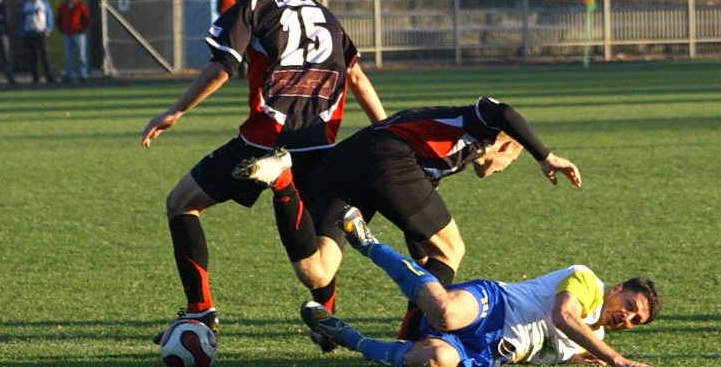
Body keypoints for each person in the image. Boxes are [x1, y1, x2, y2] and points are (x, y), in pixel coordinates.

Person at [140, 0, 386, 343]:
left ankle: (201, 311)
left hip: (268, 139)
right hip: (322, 141)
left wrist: (176, 111)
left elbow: (222, 66)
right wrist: (384, 128)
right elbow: (356, 75)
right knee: (314, 241)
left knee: (182, 202)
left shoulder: (252, 6)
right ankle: (327, 319)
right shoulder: (320, 8)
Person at [236, 96, 582, 349]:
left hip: (345, 161)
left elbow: (416, 230)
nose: (500, 172)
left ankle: (282, 182)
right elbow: (503, 110)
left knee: (316, 271)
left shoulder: (442, 162)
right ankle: (414, 337)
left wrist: (423, 267)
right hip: (389, 154)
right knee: (452, 247)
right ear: (508, 148)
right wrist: (545, 156)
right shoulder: (481, 129)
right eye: (509, 164)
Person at [301, 207, 662, 367]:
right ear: (617, 288)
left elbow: (549, 347)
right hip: (496, 305)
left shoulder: (586, 342)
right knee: (445, 311)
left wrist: (578, 357)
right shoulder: (589, 283)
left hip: (488, 350)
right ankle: (368, 242)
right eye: (630, 304)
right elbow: (563, 316)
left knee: (435, 363)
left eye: (635, 320)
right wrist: (617, 358)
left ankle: (344, 335)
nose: (626, 316)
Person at [19, 0, 56, 83]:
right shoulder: (26, 4)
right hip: (30, 32)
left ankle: (49, 77)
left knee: (45, 56)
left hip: (41, 32)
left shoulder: (43, 2)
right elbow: (22, 18)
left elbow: (49, 16)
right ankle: (35, 78)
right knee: (32, 57)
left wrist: (49, 28)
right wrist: (22, 30)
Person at [56, 0, 93, 82]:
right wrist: (61, 29)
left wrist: (83, 30)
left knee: (81, 55)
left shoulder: (80, 5)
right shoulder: (63, 6)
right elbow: (58, 18)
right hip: (67, 34)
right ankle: (70, 75)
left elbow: (88, 18)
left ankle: (83, 75)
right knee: (68, 56)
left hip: (78, 34)